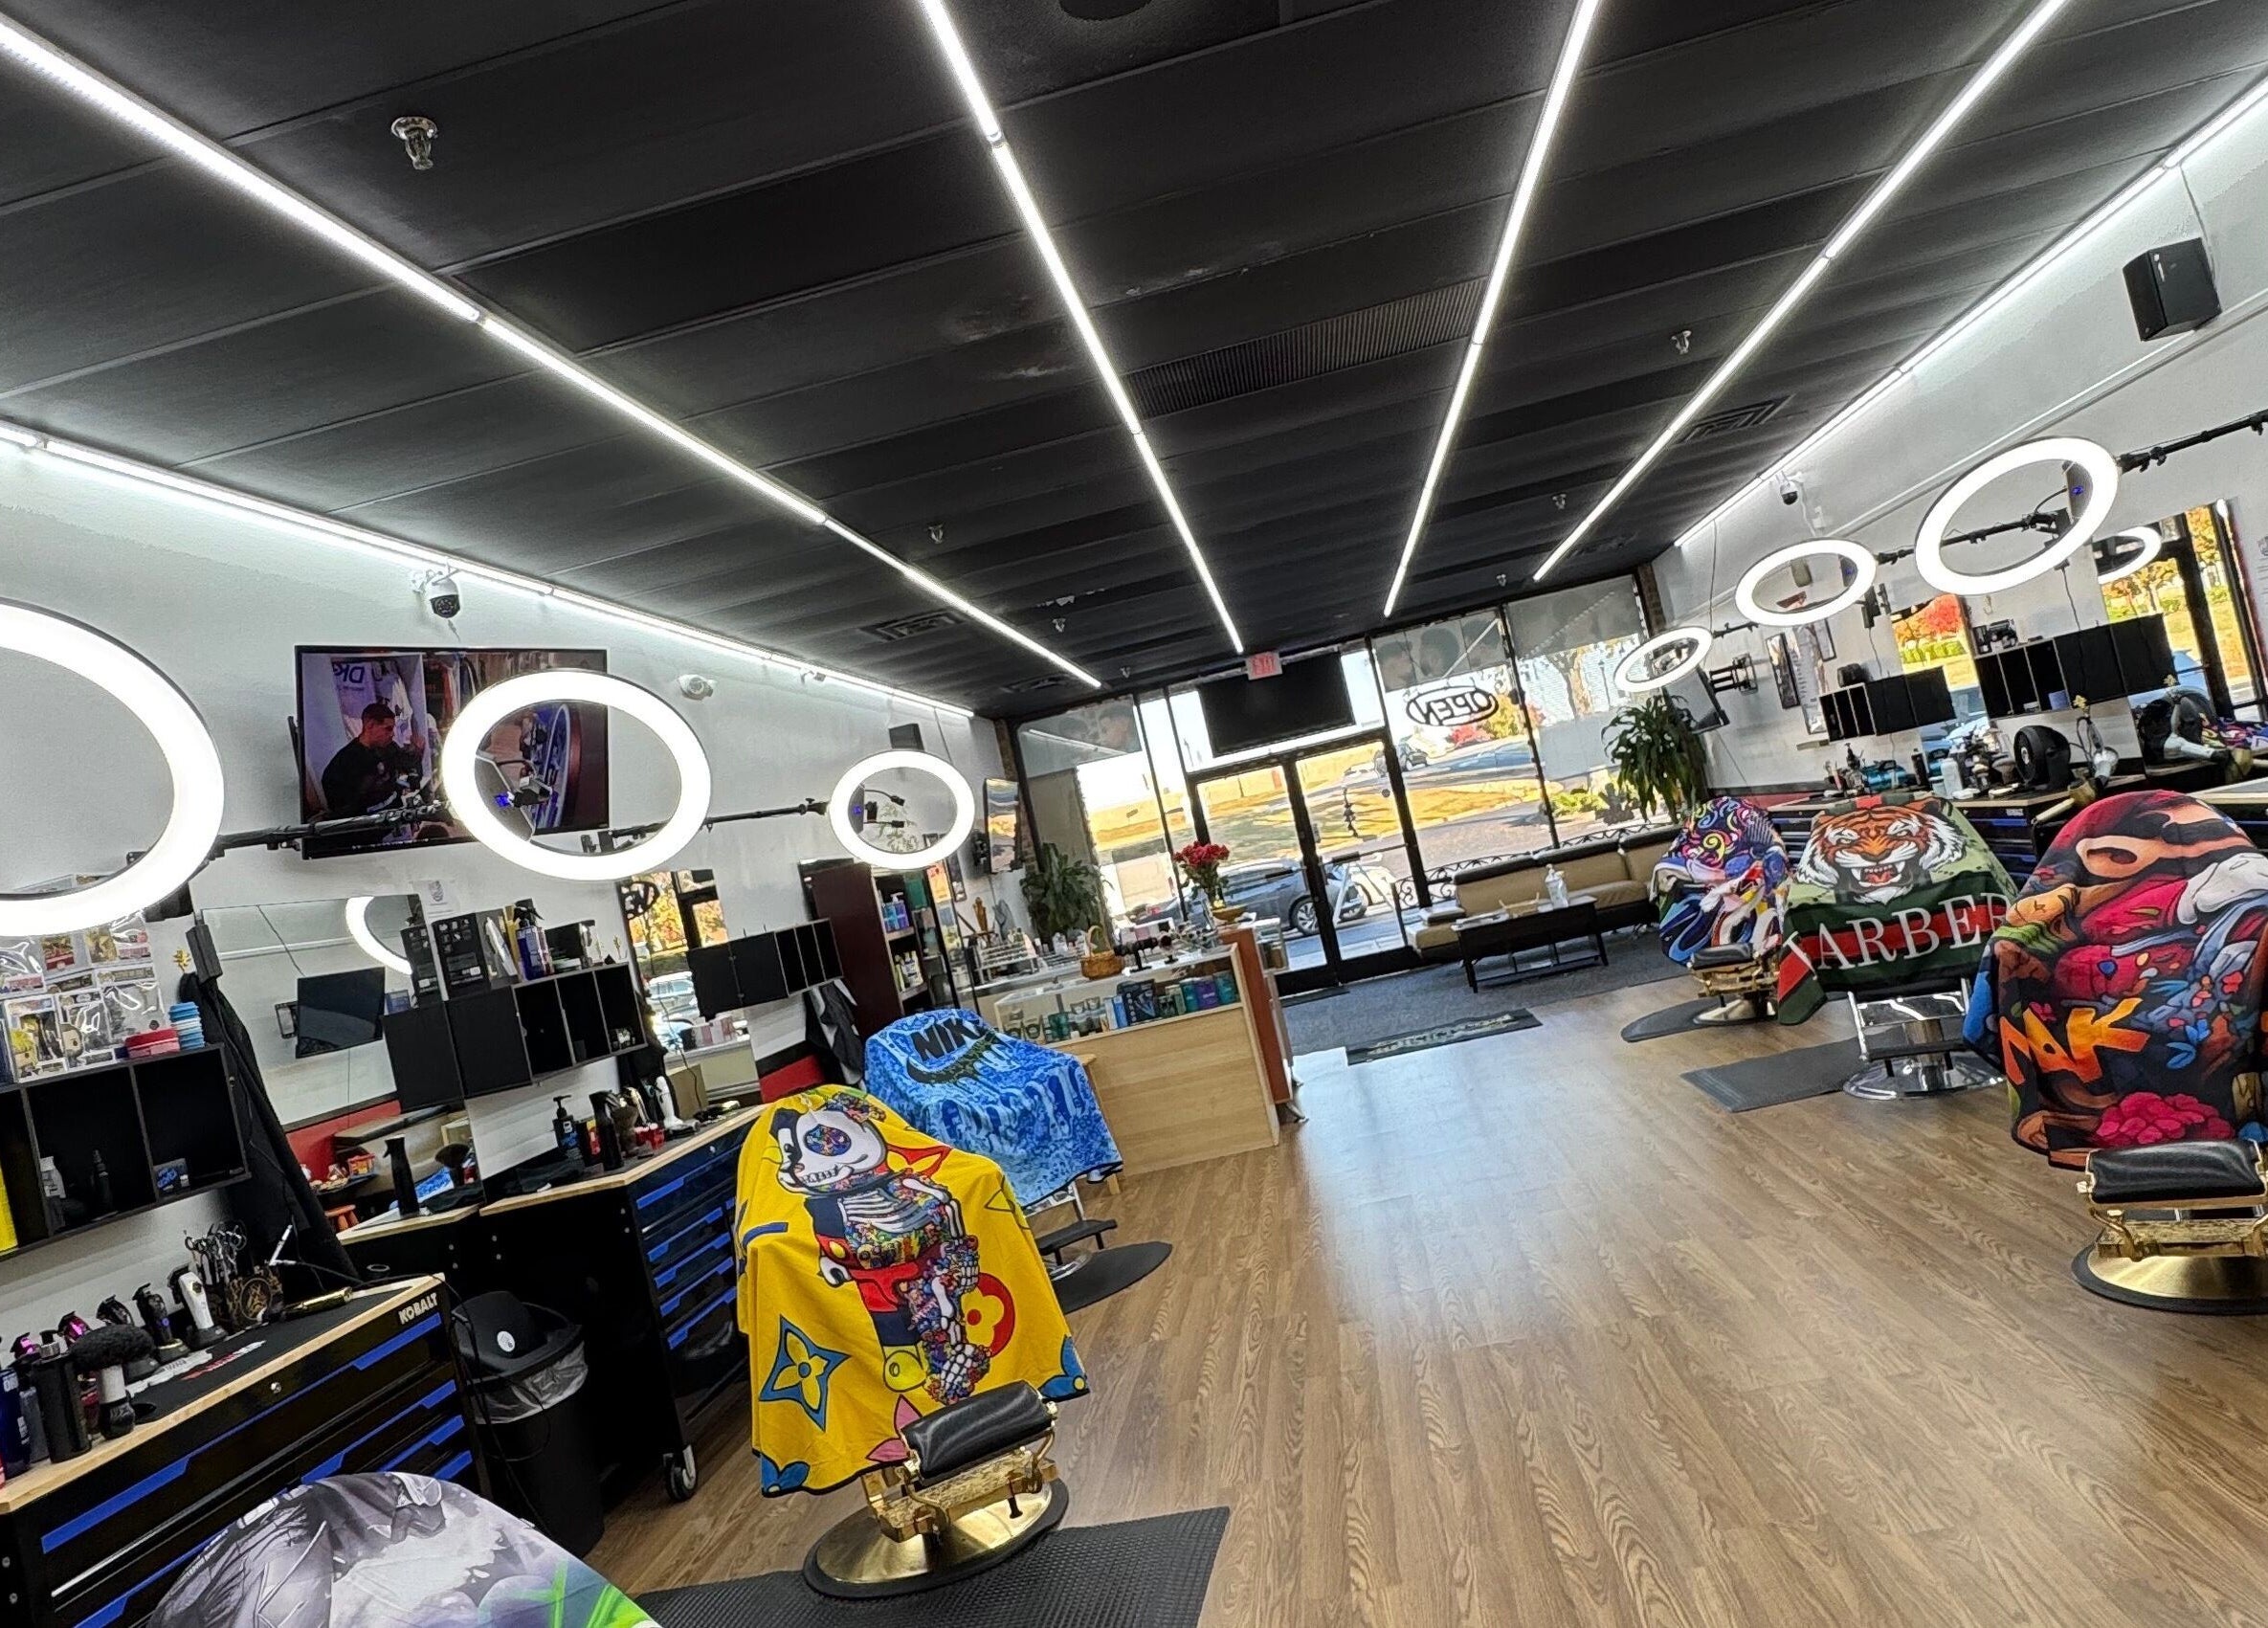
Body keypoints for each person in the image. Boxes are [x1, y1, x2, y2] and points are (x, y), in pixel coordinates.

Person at [320, 702, 425, 817]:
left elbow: (408, 764)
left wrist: (416, 760)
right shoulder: (344, 763)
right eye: (388, 729)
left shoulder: (389, 748)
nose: (392, 734)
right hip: (370, 827)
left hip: (395, 818)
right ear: (370, 725)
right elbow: (343, 810)